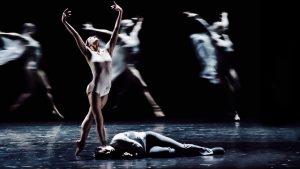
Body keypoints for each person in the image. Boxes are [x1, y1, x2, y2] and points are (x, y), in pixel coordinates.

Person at [61, 1, 123, 156]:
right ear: (88, 44)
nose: (93, 37)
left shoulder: (108, 49)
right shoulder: (89, 53)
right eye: (90, 37)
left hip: (106, 89)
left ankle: (81, 142)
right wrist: (64, 22)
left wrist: (120, 13)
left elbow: (115, 30)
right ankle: (105, 144)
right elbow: (76, 35)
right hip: (94, 89)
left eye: (95, 36)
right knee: (98, 117)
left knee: (90, 117)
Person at [83, 17, 165, 117]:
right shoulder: (121, 36)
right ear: (125, 26)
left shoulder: (133, 35)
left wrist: (140, 20)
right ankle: (156, 109)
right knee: (138, 87)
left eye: (131, 23)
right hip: (126, 68)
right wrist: (92, 29)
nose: (131, 24)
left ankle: (117, 106)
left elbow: (137, 27)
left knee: (127, 90)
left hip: (131, 68)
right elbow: (108, 32)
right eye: (129, 23)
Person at [183, 11, 241, 120]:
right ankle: (234, 112)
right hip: (221, 68)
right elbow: (205, 25)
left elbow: (225, 23)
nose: (220, 24)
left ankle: (232, 108)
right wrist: (197, 17)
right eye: (217, 24)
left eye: (220, 24)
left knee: (237, 88)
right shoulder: (214, 37)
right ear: (215, 29)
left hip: (230, 67)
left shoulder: (225, 34)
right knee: (230, 91)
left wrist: (225, 15)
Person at [0, 23, 64, 119]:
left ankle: (12, 109)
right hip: (32, 67)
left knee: (29, 91)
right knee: (47, 88)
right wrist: (3, 33)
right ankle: (54, 109)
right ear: (27, 29)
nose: (34, 28)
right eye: (32, 27)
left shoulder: (30, 40)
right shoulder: (25, 39)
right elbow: (15, 35)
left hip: (33, 67)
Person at [94, 131, 225, 159]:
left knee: (180, 147)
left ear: (103, 146)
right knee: (171, 153)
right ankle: (197, 153)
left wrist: (133, 156)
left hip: (150, 138)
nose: (108, 153)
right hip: (147, 150)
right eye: (106, 155)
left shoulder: (118, 140)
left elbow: (139, 148)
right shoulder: (115, 152)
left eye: (105, 151)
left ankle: (208, 151)